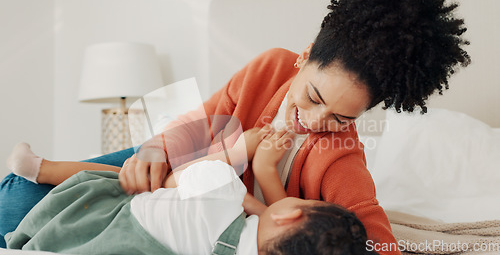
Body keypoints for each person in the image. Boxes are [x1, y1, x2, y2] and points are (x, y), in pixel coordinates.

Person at [0, 0, 470, 253]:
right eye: (313, 96)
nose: (315, 121)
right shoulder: (270, 66)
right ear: (303, 58)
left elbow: (377, 238)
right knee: (18, 194)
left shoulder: (339, 156)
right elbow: (204, 123)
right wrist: (154, 150)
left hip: (206, 214)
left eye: (341, 117)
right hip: (190, 160)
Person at [5, 127, 376, 255]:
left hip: (98, 223)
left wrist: (241, 155)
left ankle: (40, 169)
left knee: (129, 181)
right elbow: (266, 221)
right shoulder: (234, 208)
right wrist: (264, 175)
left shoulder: (222, 191)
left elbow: (175, 179)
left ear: (291, 212)